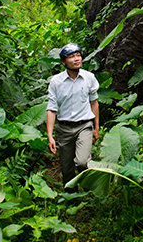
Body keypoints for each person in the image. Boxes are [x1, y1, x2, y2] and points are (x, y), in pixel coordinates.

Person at [46, 43, 99, 187]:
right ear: (63, 62)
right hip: (64, 128)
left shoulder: (89, 78)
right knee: (66, 167)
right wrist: (50, 135)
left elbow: (94, 103)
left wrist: (96, 127)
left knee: (82, 161)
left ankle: (88, 189)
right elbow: (51, 109)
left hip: (84, 126)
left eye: (78, 55)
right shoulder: (56, 82)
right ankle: (71, 197)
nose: (76, 59)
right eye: (71, 56)